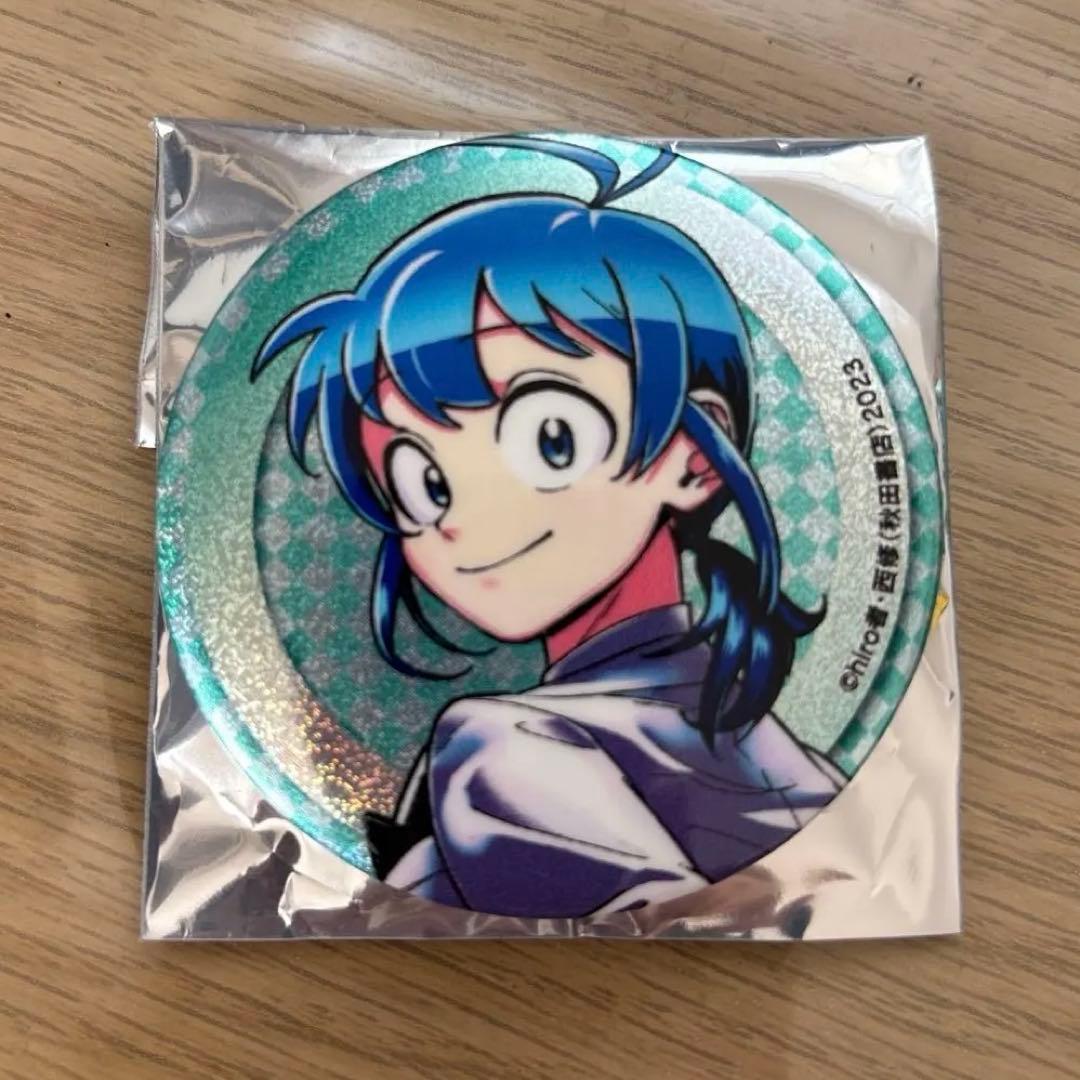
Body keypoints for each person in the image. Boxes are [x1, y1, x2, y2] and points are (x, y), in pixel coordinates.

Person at [255, 137, 842, 918]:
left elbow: (680, 933)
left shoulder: (501, 746)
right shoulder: (771, 747)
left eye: (550, 440)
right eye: (424, 487)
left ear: (695, 456)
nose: (469, 518)